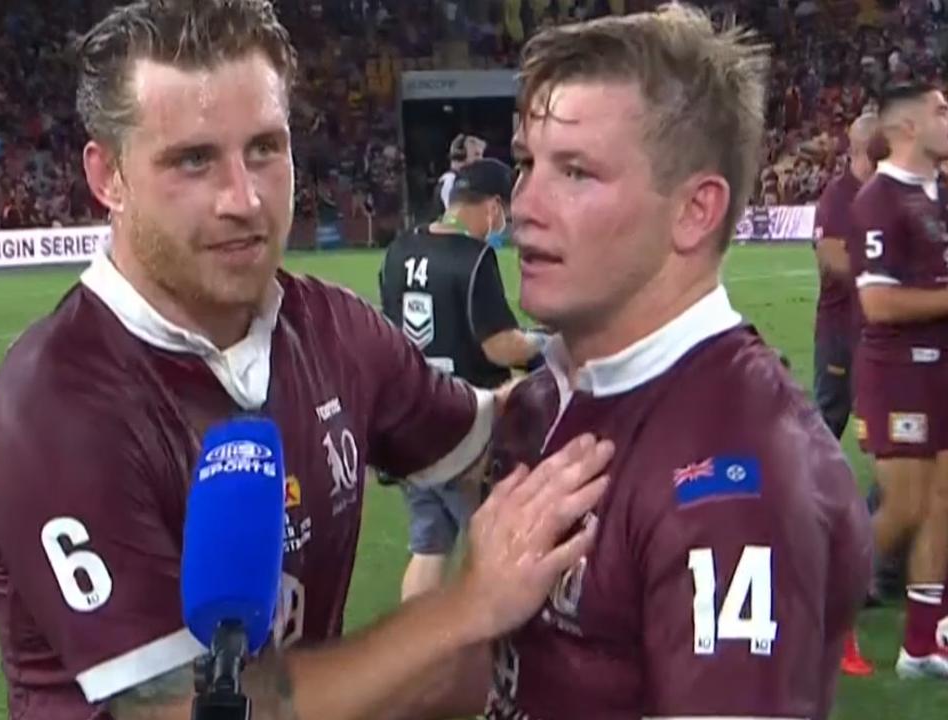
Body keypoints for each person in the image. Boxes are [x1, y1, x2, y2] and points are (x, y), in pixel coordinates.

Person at [0, 2, 613, 719]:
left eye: (265, 148)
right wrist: (466, 610)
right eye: (193, 160)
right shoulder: (54, 412)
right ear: (108, 176)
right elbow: (191, 711)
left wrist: (647, 382)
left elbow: (490, 438)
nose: (244, 198)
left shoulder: (332, 328)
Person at [397, 5, 872, 718]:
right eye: (528, 163)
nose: (525, 204)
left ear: (695, 211)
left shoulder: (742, 477)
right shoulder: (542, 399)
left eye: (577, 172)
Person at [378, 158, 547, 602]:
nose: (503, 224)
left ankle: (415, 648)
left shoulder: (400, 250)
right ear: (492, 205)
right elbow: (500, 346)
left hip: (413, 423)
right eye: (504, 213)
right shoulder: (474, 258)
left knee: (428, 546)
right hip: (468, 426)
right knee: (489, 540)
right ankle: (481, 647)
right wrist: (547, 348)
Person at [849, 80, 948, 680]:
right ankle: (824, 610)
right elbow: (879, 305)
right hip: (899, 374)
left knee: (942, 503)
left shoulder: (937, 195)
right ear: (908, 127)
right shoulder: (878, 201)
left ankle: (921, 643)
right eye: (942, 111)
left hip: (941, 370)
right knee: (905, 506)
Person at [811, 113, 881, 677]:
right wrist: (883, 269)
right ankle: (814, 537)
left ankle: (874, 562)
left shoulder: (884, 193)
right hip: (841, 334)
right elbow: (831, 260)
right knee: (820, 438)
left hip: (879, 338)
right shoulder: (842, 194)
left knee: (891, 446)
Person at [436, 134, 486, 212]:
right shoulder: (450, 180)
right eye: (476, 154)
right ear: (460, 155)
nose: (481, 159)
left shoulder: (468, 180)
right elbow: (451, 216)